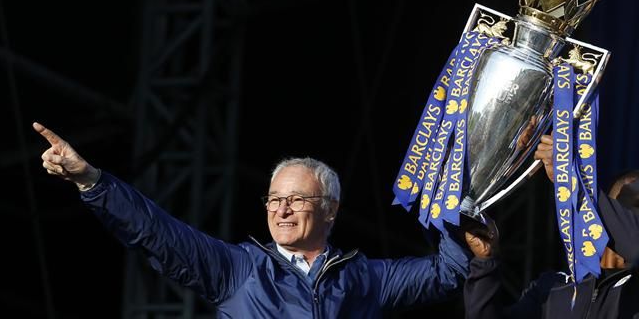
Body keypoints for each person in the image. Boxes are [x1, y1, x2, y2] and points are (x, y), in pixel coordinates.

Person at [33, 121, 475, 318]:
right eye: (273, 199)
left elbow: (449, 272)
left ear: (330, 210)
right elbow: (156, 233)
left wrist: (460, 193)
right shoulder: (241, 271)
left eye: (296, 199)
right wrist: (92, 181)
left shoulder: (366, 279)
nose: (281, 210)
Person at [463, 134, 639, 318]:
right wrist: (485, 262)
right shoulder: (554, 287)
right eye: (635, 205)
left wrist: (570, 180)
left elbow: (634, 246)